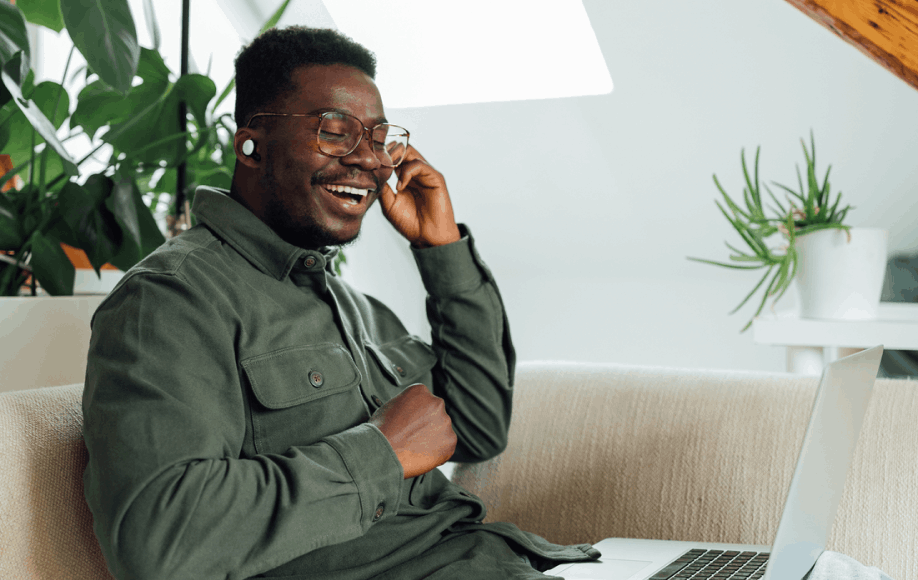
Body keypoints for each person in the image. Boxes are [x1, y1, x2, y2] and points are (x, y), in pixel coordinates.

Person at [82, 26, 600, 580]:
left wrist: (441, 250)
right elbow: (157, 539)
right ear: (250, 144)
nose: (370, 162)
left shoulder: (356, 308)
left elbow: (476, 428)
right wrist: (382, 452)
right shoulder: (172, 300)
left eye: (377, 139)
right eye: (335, 131)